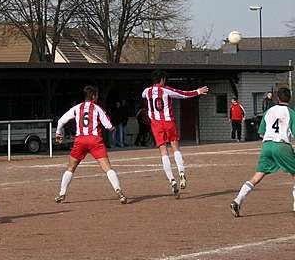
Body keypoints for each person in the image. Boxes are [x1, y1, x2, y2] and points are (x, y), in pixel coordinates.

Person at [54, 85, 128, 205]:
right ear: (93, 96)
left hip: (80, 140)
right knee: (107, 167)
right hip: (94, 140)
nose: (97, 98)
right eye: (97, 95)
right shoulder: (97, 108)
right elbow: (108, 125)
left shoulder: (77, 108)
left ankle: (62, 193)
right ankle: (118, 191)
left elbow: (61, 120)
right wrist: (113, 128)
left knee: (71, 167)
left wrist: (58, 133)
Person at [142, 70, 209, 198]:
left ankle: (171, 179)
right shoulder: (166, 90)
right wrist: (197, 91)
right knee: (175, 147)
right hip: (168, 122)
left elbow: (144, 96)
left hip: (156, 124)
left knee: (163, 151)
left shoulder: (146, 91)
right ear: (162, 80)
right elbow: (183, 94)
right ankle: (182, 172)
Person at [230, 87, 295, 217]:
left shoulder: (269, 111)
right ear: (290, 98)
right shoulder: (291, 113)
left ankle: (237, 200)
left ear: (277, 98)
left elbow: (261, 132)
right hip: (281, 145)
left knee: (258, 175)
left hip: (266, 145)